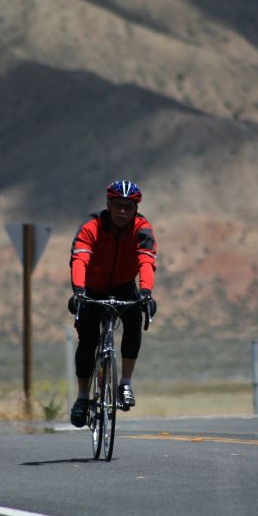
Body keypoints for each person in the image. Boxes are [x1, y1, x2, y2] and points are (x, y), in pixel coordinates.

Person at [67, 180, 158, 428]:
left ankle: (126, 383)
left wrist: (147, 293)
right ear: (108, 204)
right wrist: (79, 292)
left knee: (134, 319)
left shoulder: (142, 229)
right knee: (88, 341)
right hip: (92, 288)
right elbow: (79, 260)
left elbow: (146, 262)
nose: (122, 212)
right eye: (118, 205)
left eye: (128, 207)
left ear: (135, 209)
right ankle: (83, 397)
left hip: (124, 285)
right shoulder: (91, 226)